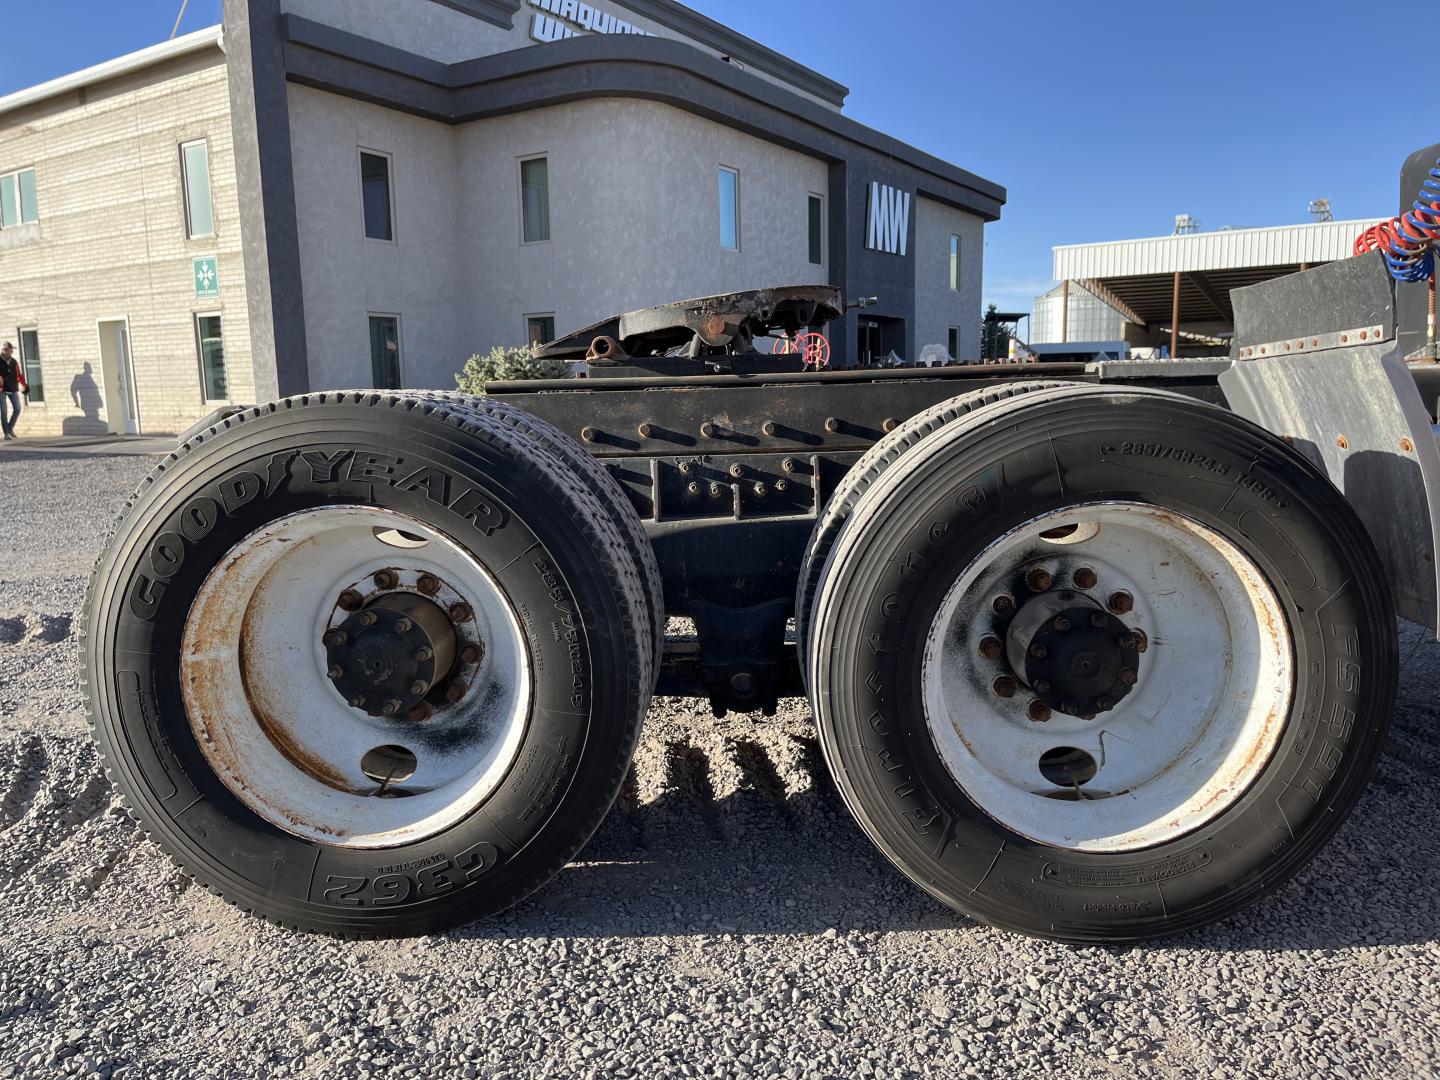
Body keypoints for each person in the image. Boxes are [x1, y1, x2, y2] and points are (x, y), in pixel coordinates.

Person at [0, 341, 25, 440]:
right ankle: (6, 433)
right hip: (1, 389)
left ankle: (10, 427)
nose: (12, 352)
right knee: (4, 411)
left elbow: (18, 374)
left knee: (17, 409)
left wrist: (24, 385)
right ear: (5, 350)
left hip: (13, 388)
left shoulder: (14, 362)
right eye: (10, 350)